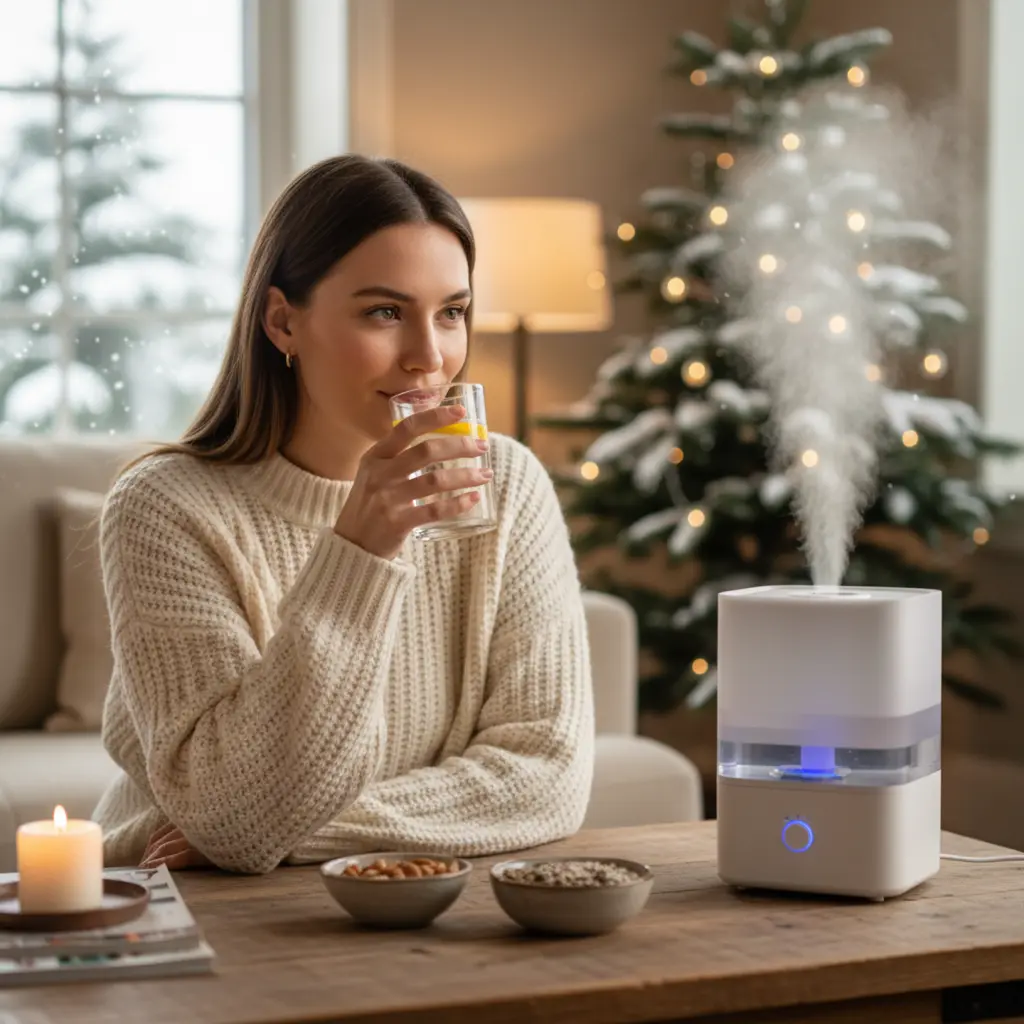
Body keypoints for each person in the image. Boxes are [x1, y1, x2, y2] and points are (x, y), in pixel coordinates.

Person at [92, 154, 595, 874]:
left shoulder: (506, 482)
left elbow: (547, 775)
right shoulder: (166, 507)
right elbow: (238, 809)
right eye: (385, 312)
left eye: (451, 313)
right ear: (282, 321)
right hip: (180, 899)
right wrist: (360, 549)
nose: (430, 357)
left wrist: (300, 836)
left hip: (407, 894)